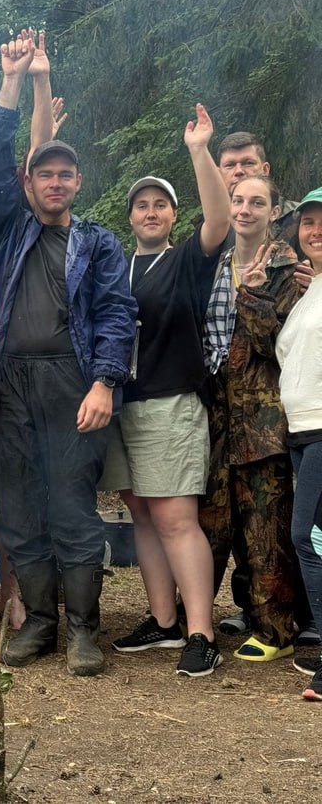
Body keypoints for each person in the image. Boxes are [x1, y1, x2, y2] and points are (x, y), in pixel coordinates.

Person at [0, 30, 137, 676]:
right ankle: (39, 623)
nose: (54, 181)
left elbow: (116, 315)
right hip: (9, 385)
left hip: (72, 383)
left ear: (76, 181)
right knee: (19, 506)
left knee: (73, 507)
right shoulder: (9, 229)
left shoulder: (98, 244)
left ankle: (82, 630)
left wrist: (104, 382)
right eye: (43, 172)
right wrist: (13, 82)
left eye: (64, 173)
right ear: (30, 181)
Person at [103, 104, 229, 677]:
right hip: (120, 406)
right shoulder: (116, 267)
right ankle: (163, 620)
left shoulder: (185, 261)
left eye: (160, 205)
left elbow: (220, 223)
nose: (150, 212)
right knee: (142, 515)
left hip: (171, 404)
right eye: (141, 205)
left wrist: (199, 151)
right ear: (129, 215)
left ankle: (201, 631)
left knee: (177, 517)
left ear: (174, 215)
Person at [199, 174, 303, 661]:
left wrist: (256, 295)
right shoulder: (214, 263)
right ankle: (196, 618)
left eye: (256, 202)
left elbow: (275, 346)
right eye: (238, 200)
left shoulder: (287, 269)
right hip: (216, 417)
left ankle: (276, 627)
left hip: (263, 419)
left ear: (273, 210)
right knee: (216, 521)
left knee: (266, 526)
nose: (244, 209)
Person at [276, 187, 322, 699]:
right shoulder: (310, 289)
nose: (316, 230)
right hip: (303, 432)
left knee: (307, 539)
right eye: (308, 222)